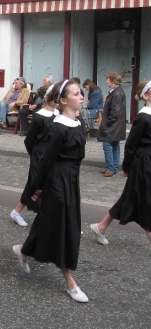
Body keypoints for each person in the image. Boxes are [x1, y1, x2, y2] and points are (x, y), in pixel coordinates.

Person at [12, 79, 89, 303]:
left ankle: (24, 250)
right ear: (63, 100)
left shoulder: (77, 121)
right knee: (62, 227)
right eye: (76, 93)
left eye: (81, 93)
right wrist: (37, 187)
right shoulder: (59, 127)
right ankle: (69, 280)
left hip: (71, 180)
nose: (81, 96)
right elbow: (46, 161)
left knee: (49, 222)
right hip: (58, 181)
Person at [90, 81, 151, 246]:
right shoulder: (144, 117)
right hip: (144, 162)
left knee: (129, 197)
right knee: (146, 200)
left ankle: (101, 226)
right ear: (146, 95)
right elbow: (131, 144)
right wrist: (127, 166)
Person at [10, 84, 58, 227]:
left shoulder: (57, 115)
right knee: (34, 183)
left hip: (51, 155)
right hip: (39, 155)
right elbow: (29, 140)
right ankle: (17, 211)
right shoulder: (39, 117)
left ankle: (56, 217)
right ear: (47, 98)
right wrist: (36, 155)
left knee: (51, 186)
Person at [98, 72, 127, 178]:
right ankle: (113, 167)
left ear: (113, 81)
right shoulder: (117, 92)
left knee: (108, 145)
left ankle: (110, 168)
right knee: (115, 145)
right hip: (116, 124)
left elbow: (115, 111)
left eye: (108, 80)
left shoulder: (117, 93)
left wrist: (107, 122)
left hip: (113, 125)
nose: (106, 81)